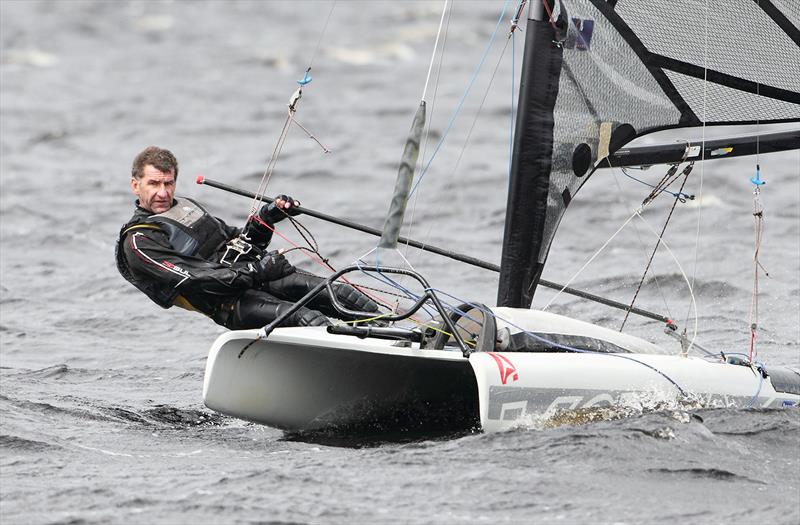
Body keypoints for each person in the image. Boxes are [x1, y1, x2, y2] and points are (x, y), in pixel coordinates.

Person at [116, 146, 381, 329]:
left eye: (168, 183)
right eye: (154, 184)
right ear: (135, 185)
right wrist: (257, 271)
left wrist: (267, 218)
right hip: (231, 304)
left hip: (255, 278)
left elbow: (241, 245)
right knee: (307, 319)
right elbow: (198, 281)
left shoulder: (186, 207)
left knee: (339, 292)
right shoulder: (139, 241)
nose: (163, 192)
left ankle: (398, 335)